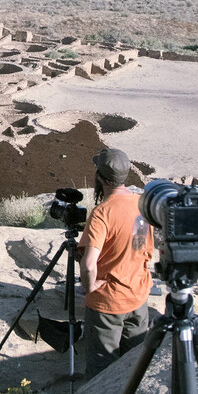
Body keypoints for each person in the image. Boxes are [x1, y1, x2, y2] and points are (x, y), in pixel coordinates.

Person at [78, 148, 155, 380]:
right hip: (138, 297)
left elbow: (89, 265)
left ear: (100, 177)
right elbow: (138, 245)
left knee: (102, 373)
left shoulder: (102, 213)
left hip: (108, 304)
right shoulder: (142, 204)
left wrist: (90, 286)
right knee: (134, 365)